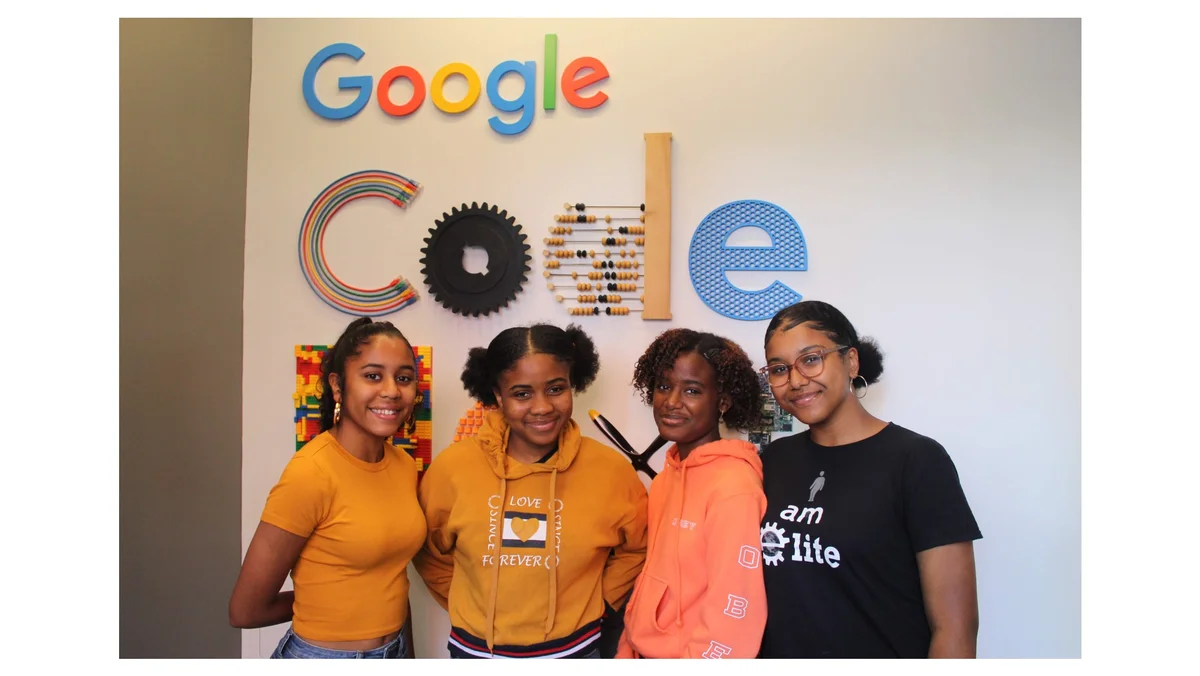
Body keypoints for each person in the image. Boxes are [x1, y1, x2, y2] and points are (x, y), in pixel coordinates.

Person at [757, 300, 982, 658]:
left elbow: (955, 628)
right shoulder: (773, 461)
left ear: (851, 361)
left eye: (811, 359)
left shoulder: (917, 461)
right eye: (779, 369)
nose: (796, 380)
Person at [413, 323, 649, 659]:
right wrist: (469, 603)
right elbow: (427, 551)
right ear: (497, 395)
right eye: (522, 393)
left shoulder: (611, 470)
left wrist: (602, 601)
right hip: (476, 653)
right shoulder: (452, 469)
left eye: (555, 389)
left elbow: (638, 547)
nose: (541, 407)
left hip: (577, 651)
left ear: (573, 384)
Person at [228, 318, 427, 659]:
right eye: (373, 376)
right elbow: (245, 610)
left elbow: (393, 577)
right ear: (338, 386)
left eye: (404, 378)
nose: (393, 390)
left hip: (394, 650)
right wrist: (323, 600)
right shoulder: (312, 472)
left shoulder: (404, 466)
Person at [616, 328, 768, 659]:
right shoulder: (666, 477)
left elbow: (735, 609)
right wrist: (627, 647)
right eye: (664, 386)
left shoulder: (734, 486)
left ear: (723, 403)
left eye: (692, 390)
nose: (671, 402)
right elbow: (651, 578)